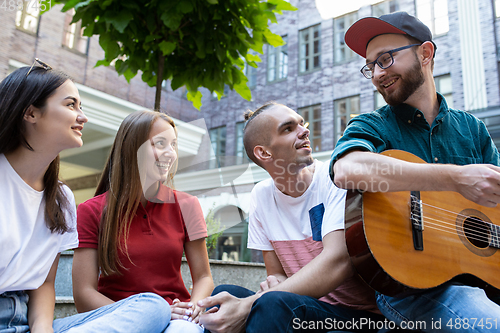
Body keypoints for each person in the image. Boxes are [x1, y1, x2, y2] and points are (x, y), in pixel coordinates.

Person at [331, 11, 500, 332]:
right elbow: (347, 169)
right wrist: (455, 178)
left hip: (483, 282)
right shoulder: (372, 124)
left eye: (386, 59)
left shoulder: (472, 128)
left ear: (425, 53)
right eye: (371, 66)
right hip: (408, 290)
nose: (377, 74)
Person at [0, 60, 171, 333]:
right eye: (71, 105)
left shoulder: (61, 198)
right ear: (31, 112)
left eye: (81, 107)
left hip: (25, 323)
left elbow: (44, 283)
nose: (83, 117)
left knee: (154, 307)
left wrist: (42, 331)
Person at [199, 102, 386, 333]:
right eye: (288, 129)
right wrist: (273, 283)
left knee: (271, 302)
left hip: (358, 316)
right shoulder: (261, 196)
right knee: (223, 297)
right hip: (303, 307)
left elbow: (339, 261)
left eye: (301, 124)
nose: (304, 130)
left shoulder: (334, 178)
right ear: (264, 153)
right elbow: (276, 273)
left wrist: (250, 304)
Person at [72, 110, 214, 333]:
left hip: (177, 319)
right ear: (132, 149)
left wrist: (194, 308)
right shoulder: (91, 211)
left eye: (173, 145)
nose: (171, 154)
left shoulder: (188, 205)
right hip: (118, 317)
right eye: (160, 144)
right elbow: (83, 295)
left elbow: (204, 276)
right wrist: (147, 314)